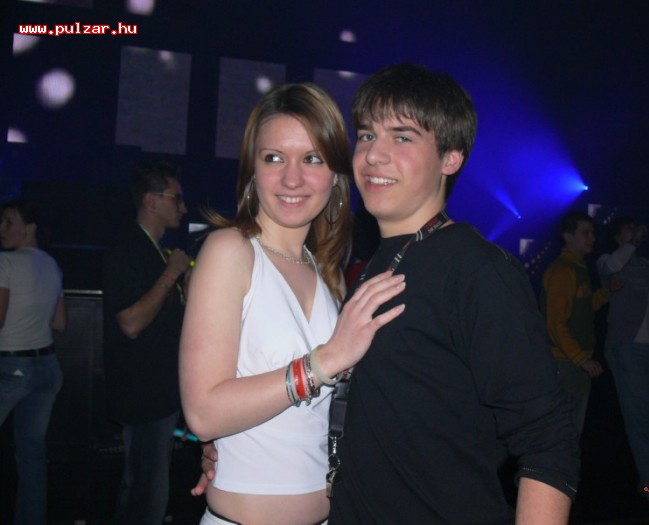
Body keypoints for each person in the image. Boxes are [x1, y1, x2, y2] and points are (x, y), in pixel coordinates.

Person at [194, 64, 580, 524]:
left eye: (402, 137)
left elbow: (548, 442)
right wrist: (233, 445)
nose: (375, 155)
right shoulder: (368, 268)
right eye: (366, 135)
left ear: (451, 158)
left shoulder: (477, 271)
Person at [179, 83, 406, 525]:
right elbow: (204, 413)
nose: (292, 179)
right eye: (274, 158)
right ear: (252, 170)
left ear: (336, 175)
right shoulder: (231, 251)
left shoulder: (325, 272)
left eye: (312, 159)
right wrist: (324, 362)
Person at [102, 160, 191, 525]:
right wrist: (171, 274)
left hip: (157, 391)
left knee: (145, 488)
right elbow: (131, 323)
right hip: (143, 393)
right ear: (152, 201)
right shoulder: (128, 249)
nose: (183, 207)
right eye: (176, 198)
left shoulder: (154, 250)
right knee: (146, 494)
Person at [596, 216, 649, 498]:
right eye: (628, 230)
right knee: (639, 418)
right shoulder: (608, 261)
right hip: (626, 347)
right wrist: (631, 242)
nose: (634, 233)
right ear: (617, 236)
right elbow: (612, 267)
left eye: (636, 229)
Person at [0, 199, 67, 525]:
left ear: (30, 228)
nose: (1, 228)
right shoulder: (51, 265)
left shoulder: (5, 262)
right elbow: (60, 323)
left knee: (30, 455)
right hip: (47, 369)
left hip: (12, 369)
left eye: (8, 222)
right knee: (31, 456)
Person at [540, 211, 610, 437]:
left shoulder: (578, 269)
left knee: (570, 431)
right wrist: (581, 359)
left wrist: (607, 292)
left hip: (574, 362)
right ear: (568, 236)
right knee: (563, 431)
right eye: (585, 233)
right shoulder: (563, 271)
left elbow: (584, 307)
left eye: (592, 233)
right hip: (564, 362)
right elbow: (555, 324)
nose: (592, 238)